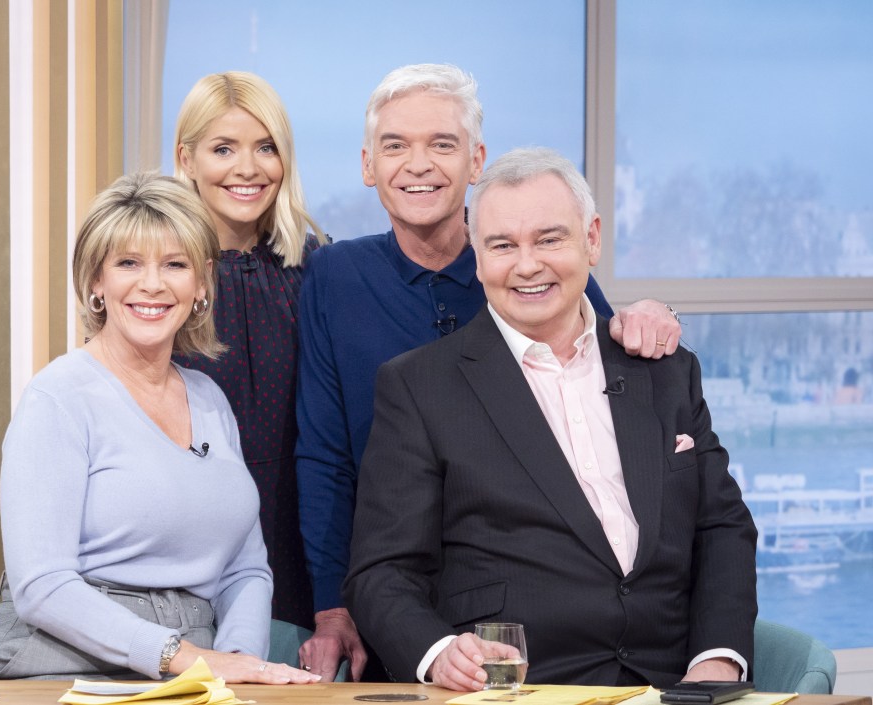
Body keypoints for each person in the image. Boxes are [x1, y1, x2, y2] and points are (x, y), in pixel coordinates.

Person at [295, 63, 684, 681]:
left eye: (441, 145)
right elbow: (323, 455)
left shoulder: (526, 273)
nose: (418, 164)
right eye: (395, 146)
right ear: (368, 166)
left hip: (525, 592)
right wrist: (332, 604)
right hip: (393, 581)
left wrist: (655, 313)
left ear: (476, 161)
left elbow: (604, 359)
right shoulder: (334, 277)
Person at [344, 148, 757, 690]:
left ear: (592, 238)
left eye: (548, 239)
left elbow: (722, 526)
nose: (527, 265)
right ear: (478, 256)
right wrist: (440, 653)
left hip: (677, 686)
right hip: (518, 688)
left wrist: (717, 660)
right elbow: (381, 573)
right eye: (502, 245)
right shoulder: (419, 387)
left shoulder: (665, 371)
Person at [0, 172, 319, 685]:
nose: (152, 285)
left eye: (175, 265)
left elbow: (245, 570)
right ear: (97, 281)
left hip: (196, 667)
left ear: (202, 282)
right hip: (69, 661)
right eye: (128, 263)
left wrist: (241, 665)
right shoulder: (58, 397)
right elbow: (42, 585)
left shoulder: (209, 399)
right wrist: (183, 658)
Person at [174, 71, 326, 630]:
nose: (247, 168)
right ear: (186, 159)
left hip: (300, 527)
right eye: (223, 149)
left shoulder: (316, 267)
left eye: (266, 148)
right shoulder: (156, 278)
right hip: (188, 540)